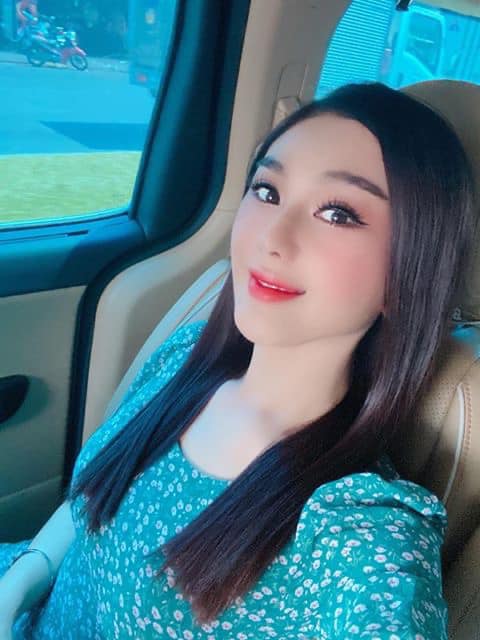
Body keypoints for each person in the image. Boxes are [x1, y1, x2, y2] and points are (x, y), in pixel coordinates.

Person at [0, 81, 476, 639]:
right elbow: (92, 502)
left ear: (409, 273)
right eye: (268, 191)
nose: (272, 236)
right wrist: (24, 578)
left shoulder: (358, 527)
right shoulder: (184, 358)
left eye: (338, 213)